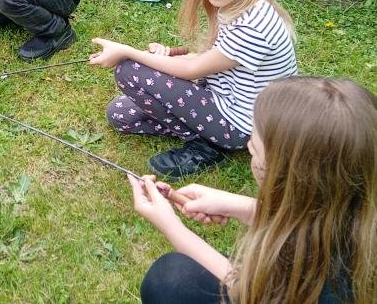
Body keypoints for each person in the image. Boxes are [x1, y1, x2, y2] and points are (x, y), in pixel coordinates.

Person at [129, 77, 376, 304]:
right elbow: (308, 225)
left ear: (285, 175)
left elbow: (253, 292)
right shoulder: (358, 221)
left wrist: (173, 228)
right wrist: (242, 207)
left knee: (170, 280)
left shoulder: (330, 290)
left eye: (254, 147)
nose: (248, 147)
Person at [90, 0, 297, 178]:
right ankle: (205, 133)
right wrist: (169, 59)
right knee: (120, 113)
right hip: (221, 97)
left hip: (242, 126)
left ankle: (206, 145)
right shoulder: (238, 5)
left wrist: (128, 52)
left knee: (129, 70)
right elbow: (211, 59)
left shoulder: (253, 25)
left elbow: (193, 70)